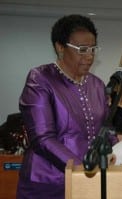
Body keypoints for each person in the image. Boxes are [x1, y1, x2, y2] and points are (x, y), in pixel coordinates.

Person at [16, 14, 109, 199]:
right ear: (60, 47)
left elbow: (104, 129)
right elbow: (43, 138)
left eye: (92, 49)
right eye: (82, 49)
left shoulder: (97, 84)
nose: (89, 56)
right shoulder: (40, 79)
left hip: (87, 181)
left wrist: (118, 152)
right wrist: (81, 167)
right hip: (47, 184)